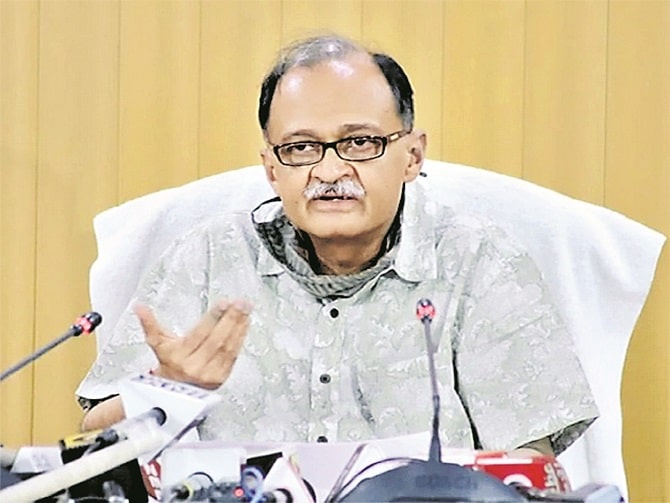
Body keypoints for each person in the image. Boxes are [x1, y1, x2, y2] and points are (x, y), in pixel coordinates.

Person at [78, 34, 597, 457]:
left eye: (359, 142)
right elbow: (93, 441)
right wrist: (166, 389)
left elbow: (528, 467)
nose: (329, 171)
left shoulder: (480, 263)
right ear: (272, 168)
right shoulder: (208, 258)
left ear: (413, 156)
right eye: (301, 147)